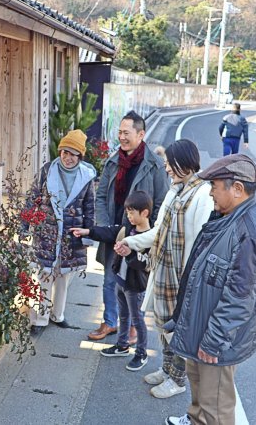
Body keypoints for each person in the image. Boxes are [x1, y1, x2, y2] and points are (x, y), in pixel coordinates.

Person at [166, 154, 256, 425]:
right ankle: (195, 419)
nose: (210, 192)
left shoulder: (249, 230)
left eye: (215, 186)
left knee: (217, 407)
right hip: (204, 326)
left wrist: (213, 340)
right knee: (200, 391)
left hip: (217, 338)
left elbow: (240, 296)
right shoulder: (228, 217)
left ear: (237, 188)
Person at [115, 139, 214, 399]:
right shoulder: (175, 191)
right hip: (164, 271)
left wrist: (191, 280)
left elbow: (200, 242)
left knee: (177, 329)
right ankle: (167, 369)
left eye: (170, 164)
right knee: (163, 324)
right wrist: (130, 242)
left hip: (182, 276)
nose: (167, 168)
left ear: (184, 163)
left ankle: (177, 380)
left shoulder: (202, 194)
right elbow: (159, 232)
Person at [89, 110, 169, 341]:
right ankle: (110, 322)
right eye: (120, 132)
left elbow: (161, 202)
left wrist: (145, 232)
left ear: (141, 134)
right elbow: (101, 195)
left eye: (126, 132)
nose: (121, 137)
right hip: (114, 233)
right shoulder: (113, 162)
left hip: (139, 234)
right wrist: (105, 227)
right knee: (109, 280)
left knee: (135, 283)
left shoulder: (153, 165)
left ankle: (134, 325)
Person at [72, 191, 152, 371]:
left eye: (132, 213)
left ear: (145, 213)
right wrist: (86, 231)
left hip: (136, 286)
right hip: (121, 282)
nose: (128, 216)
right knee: (123, 316)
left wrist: (129, 253)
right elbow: (107, 232)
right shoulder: (126, 229)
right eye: (127, 212)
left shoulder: (151, 236)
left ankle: (141, 353)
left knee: (137, 320)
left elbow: (146, 264)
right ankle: (122, 345)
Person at [28, 129, 96, 334]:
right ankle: (41, 318)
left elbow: (90, 207)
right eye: (65, 152)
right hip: (47, 231)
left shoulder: (86, 176)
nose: (68, 157)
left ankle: (58, 315)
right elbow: (33, 197)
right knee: (45, 274)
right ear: (60, 152)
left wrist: (88, 233)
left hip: (71, 233)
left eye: (73, 153)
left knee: (63, 276)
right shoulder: (47, 170)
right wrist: (25, 225)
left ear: (80, 156)